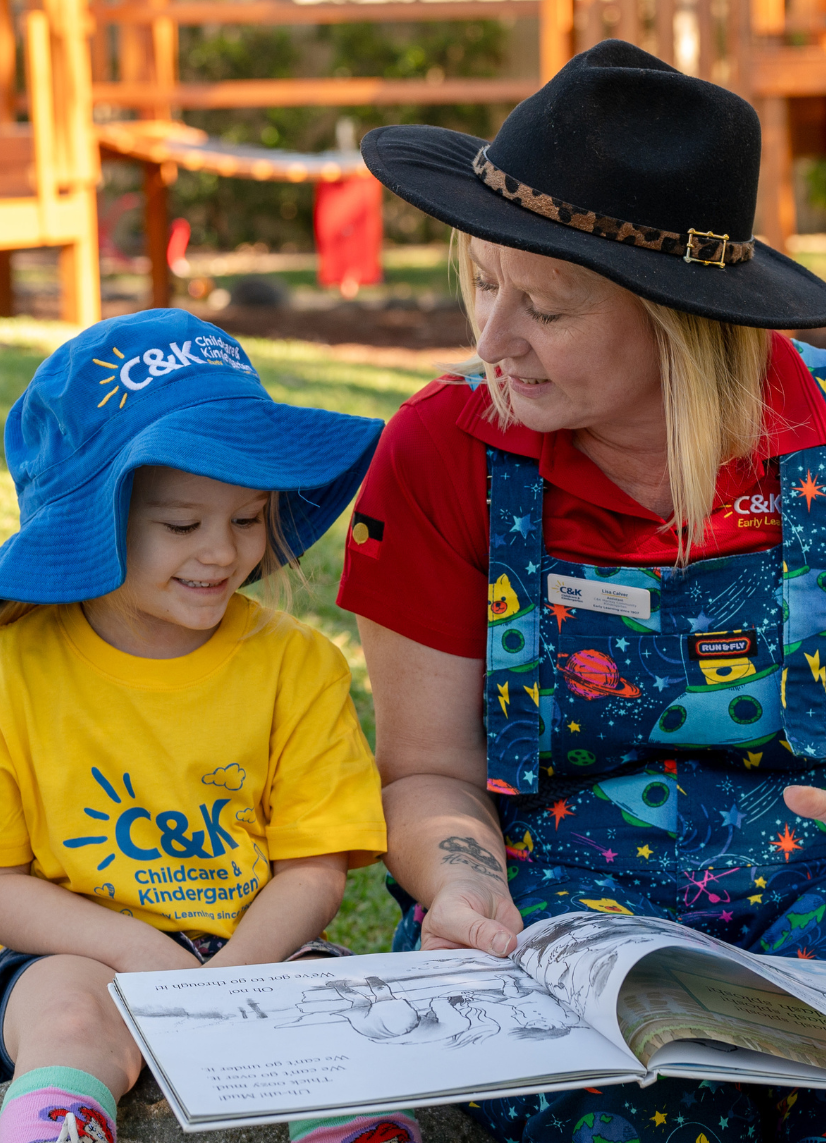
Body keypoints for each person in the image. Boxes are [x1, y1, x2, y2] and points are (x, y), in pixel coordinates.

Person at [338, 40, 826, 1143]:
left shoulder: (823, 437)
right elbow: (426, 768)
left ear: (680, 320)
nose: (492, 341)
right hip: (549, 911)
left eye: (547, 310)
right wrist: (461, 891)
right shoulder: (443, 452)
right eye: (483, 283)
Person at [0, 310, 418, 1143]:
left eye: (246, 518)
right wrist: (139, 953)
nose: (221, 553)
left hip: (256, 945)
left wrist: (228, 983)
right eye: (180, 524)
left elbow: (312, 869)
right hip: (75, 950)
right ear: (94, 518)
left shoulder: (298, 664)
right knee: (69, 1016)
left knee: (337, 1019)